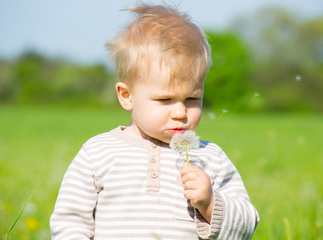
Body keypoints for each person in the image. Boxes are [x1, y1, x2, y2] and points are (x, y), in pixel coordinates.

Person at [50, 3, 259, 239]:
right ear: (127, 96)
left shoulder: (210, 158)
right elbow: (70, 220)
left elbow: (247, 226)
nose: (180, 112)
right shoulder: (98, 153)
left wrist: (210, 203)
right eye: (165, 99)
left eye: (192, 98)